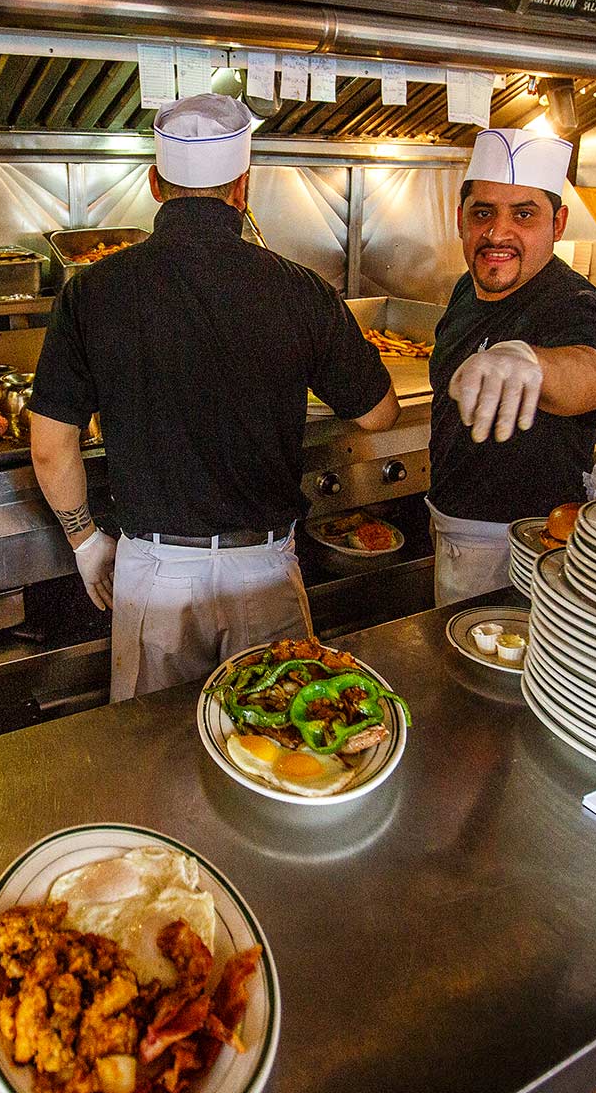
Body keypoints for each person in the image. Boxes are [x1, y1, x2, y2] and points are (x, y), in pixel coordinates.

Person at [29, 93, 400, 700]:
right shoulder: (301, 289)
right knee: (273, 745)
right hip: (265, 576)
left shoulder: (91, 291)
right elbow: (379, 413)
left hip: (153, 578)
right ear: (243, 188)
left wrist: (84, 541)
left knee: (156, 757)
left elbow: (50, 448)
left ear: (155, 184)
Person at [428, 128, 596, 606]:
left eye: (524, 214)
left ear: (559, 223)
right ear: (460, 219)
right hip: (452, 524)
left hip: (522, 548)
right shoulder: (466, 290)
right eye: (483, 213)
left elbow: (589, 378)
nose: (497, 233)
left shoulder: (571, 302)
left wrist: (532, 362)